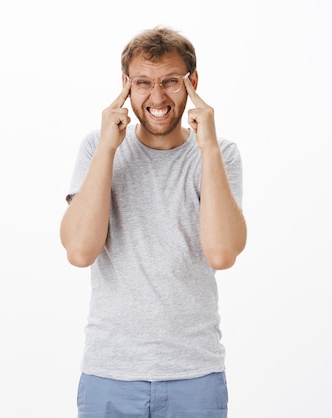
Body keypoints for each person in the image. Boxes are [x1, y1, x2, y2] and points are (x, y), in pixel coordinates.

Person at [60, 26, 247, 418]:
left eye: (171, 82)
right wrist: (110, 149)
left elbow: (222, 253)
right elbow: (79, 251)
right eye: (143, 83)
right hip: (109, 375)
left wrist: (208, 146)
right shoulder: (97, 148)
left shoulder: (219, 153)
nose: (157, 97)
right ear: (126, 85)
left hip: (195, 376)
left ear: (192, 82)